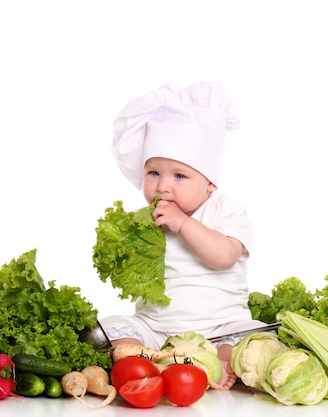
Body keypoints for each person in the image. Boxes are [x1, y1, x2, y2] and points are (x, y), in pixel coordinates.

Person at [100, 81, 264, 389]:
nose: (163, 186)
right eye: (154, 173)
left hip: (221, 327)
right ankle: (144, 360)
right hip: (156, 330)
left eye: (179, 175)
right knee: (110, 329)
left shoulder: (225, 210)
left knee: (252, 336)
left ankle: (223, 360)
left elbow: (224, 256)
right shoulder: (144, 221)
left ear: (210, 183)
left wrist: (183, 224)